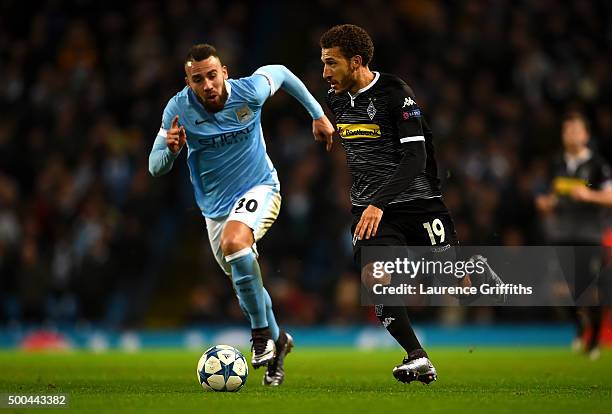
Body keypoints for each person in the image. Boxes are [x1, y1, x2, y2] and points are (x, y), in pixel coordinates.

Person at [319, 24, 503, 384]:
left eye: (331, 63)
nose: (325, 72)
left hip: (419, 205)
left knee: (456, 287)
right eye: (323, 63)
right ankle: (417, 356)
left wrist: (380, 202)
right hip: (371, 211)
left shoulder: (395, 93)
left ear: (356, 62)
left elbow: (415, 157)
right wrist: (320, 121)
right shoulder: (335, 98)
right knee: (375, 278)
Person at [149, 44, 335, 385]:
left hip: (261, 189)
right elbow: (154, 167)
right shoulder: (178, 109)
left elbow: (280, 71)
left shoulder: (249, 91)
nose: (207, 84)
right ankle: (280, 343)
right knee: (246, 278)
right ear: (188, 82)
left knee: (236, 242)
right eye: (198, 79)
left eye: (212, 75)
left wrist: (317, 114)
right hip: (215, 211)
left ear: (225, 73)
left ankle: (260, 336)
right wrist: (171, 151)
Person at [536, 111, 612, 359]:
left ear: (586, 135)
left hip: (589, 235)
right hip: (561, 234)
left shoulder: (598, 165)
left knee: (590, 288)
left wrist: (589, 195)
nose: (571, 135)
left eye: (576, 130)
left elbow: (610, 196)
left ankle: (594, 340)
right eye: (567, 130)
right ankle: (580, 326)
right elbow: (549, 195)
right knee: (567, 289)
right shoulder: (557, 163)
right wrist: (546, 203)